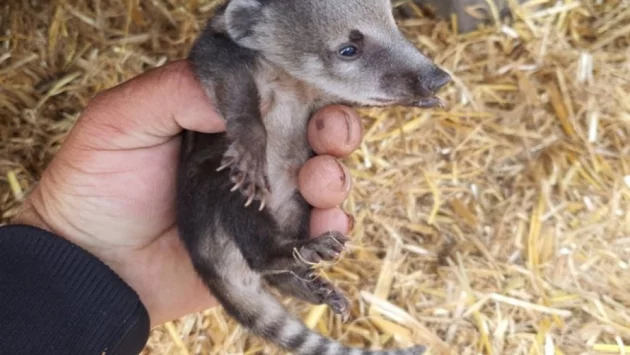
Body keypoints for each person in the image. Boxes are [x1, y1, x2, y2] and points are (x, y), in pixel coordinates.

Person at [0, 60, 364, 355]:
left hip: (213, 224)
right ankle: (280, 259)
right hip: (221, 206)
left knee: (277, 190)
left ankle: (282, 264)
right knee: (239, 185)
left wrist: (73, 258)